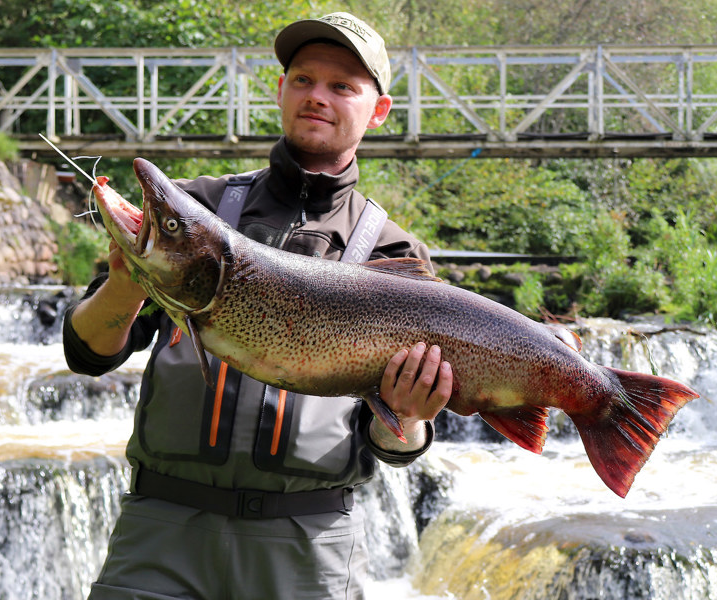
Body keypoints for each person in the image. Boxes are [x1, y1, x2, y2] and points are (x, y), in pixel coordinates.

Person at [63, 12, 453, 600]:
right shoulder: (195, 214)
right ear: (280, 90)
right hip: (161, 528)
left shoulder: (396, 255)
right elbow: (85, 353)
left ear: (378, 110)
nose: (316, 96)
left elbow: (398, 446)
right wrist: (125, 287)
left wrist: (410, 416)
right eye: (302, 79)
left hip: (308, 545)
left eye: (341, 86)